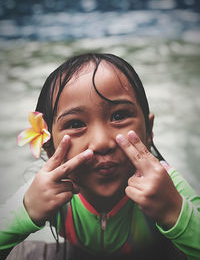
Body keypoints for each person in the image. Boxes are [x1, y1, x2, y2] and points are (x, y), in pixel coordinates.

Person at [0, 53, 200, 260]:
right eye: (76, 124)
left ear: (148, 131)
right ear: (49, 147)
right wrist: (27, 212)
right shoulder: (46, 191)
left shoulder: (166, 188)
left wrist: (174, 211)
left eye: (119, 116)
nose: (102, 142)